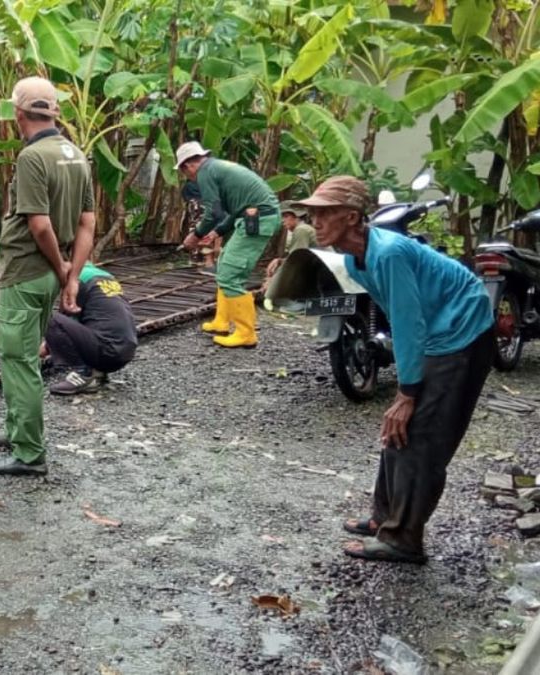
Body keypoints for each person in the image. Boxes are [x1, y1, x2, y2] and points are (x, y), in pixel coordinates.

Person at [294, 176, 493, 564]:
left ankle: (403, 539)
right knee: (396, 429)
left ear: (352, 217)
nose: (313, 221)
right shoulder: (355, 257)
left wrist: (407, 391)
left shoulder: (388, 253)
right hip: (436, 327)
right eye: (311, 214)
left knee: (421, 435)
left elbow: (407, 323)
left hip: (462, 330)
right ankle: (384, 518)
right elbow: (398, 315)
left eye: (323, 214)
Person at [0, 76, 95, 477]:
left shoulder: (32, 158)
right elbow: (87, 222)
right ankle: (17, 431)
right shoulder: (74, 153)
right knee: (25, 355)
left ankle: (29, 453)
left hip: (26, 272)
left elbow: (40, 225)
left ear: (18, 113)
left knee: (18, 360)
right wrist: (71, 275)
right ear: (54, 111)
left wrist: (62, 268)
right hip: (50, 274)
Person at [177, 142, 280, 348]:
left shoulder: (205, 173)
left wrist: (194, 236)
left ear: (188, 166)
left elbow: (213, 212)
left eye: (183, 172)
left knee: (231, 275)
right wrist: (217, 232)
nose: (188, 177)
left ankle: (245, 333)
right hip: (253, 216)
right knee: (224, 267)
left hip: (257, 219)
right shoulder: (217, 168)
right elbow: (234, 210)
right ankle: (221, 321)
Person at [44, 263, 138, 396]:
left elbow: (64, 327)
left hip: (107, 352)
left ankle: (84, 373)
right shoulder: (104, 277)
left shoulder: (78, 280)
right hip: (125, 352)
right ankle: (97, 372)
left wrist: (42, 349)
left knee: (49, 317)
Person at [264, 204, 317, 279]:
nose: (282, 220)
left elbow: (296, 261)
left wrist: (278, 262)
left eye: (286, 216)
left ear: (297, 217)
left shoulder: (302, 229)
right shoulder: (304, 228)